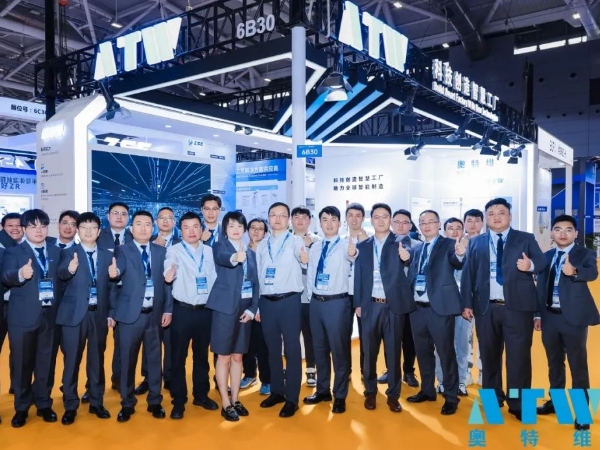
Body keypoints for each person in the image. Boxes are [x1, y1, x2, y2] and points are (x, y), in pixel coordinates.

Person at [461, 198, 546, 421]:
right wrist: (467, 303)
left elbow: (542, 263)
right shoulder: (476, 242)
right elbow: (468, 274)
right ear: (486, 218)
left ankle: (518, 403)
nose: (496, 217)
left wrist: (530, 266)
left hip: (518, 309)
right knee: (489, 357)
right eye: (491, 213)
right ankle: (493, 399)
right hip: (486, 309)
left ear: (510, 216)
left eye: (501, 212)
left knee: (519, 358)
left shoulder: (525, 238)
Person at [535, 215, 599, 430]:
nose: (563, 233)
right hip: (549, 317)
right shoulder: (546, 257)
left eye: (568, 229)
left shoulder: (585, 254)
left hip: (573, 319)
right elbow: (540, 288)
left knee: (577, 365)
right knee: (554, 363)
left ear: (576, 234)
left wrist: (575, 272)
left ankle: (582, 412)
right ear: (551, 233)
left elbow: (592, 273)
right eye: (558, 229)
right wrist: (537, 314)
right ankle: (556, 402)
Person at [109, 210, 173, 422]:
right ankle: (127, 403)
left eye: (147, 224)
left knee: (154, 360)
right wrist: (114, 272)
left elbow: (167, 283)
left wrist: (168, 309)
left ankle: (155, 401)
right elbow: (117, 271)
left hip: (155, 314)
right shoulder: (122, 250)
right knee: (128, 361)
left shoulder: (161, 251)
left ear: (152, 228)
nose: (143, 228)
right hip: (130, 316)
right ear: (131, 228)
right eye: (139, 224)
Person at [2, 209, 62, 428]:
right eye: (33, 226)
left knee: (46, 362)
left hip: (50, 317)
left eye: (43, 226)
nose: (39, 230)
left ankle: (44, 403)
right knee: (22, 364)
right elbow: (5, 276)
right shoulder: (13, 252)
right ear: (24, 229)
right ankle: (21, 407)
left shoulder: (56, 251)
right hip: (22, 318)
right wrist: (20, 274)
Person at [354, 203, 414, 412]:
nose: (381, 220)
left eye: (385, 216)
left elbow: (409, 254)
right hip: (370, 306)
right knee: (368, 353)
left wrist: (406, 256)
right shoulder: (363, 246)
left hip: (393, 307)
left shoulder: (401, 242)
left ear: (390, 219)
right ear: (371, 220)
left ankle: (393, 396)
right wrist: (358, 303)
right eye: (377, 217)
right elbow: (359, 277)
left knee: (393, 353)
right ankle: (370, 392)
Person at [56, 212, 113, 424]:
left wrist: (111, 313)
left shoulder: (108, 255)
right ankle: (70, 404)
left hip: (98, 314)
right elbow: (61, 274)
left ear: (99, 231)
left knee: (97, 360)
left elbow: (112, 288)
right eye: (84, 227)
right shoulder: (68, 253)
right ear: (78, 231)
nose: (88, 231)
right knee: (71, 361)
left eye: (93, 227)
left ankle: (97, 402)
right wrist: (69, 270)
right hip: (74, 315)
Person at [406, 210, 464, 416]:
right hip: (417, 309)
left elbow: (457, 260)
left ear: (439, 224)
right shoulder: (417, 248)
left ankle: (451, 397)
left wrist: (460, 253)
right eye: (423, 222)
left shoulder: (448, 244)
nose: (427, 225)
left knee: (446, 353)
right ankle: (427, 390)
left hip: (439, 309)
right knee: (423, 353)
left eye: (431, 222)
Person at [164, 211, 219, 420]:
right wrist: (168, 273)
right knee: (178, 358)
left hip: (205, 311)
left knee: (202, 356)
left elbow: (215, 278)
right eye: (186, 228)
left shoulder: (210, 251)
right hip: (182, 311)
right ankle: (178, 400)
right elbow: (169, 264)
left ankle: (201, 395)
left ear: (201, 229)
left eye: (195, 226)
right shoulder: (174, 251)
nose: (191, 231)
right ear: (181, 231)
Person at [256, 202, 308, 418]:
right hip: (267, 302)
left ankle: (292, 399)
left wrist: (304, 257)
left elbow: (301, 255)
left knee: (292, 350)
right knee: (272, 349)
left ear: (288, 220)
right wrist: (257, 305)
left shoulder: (296, 241)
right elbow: (259, 275)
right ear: (268, 218)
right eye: (273, 215)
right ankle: (277, 391)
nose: (277, 219)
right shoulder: (262, 244)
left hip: (289, 302)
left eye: (282, 215)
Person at [303, 206, 356, 414]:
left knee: (339, 350)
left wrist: (353, 252)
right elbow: (310, 274)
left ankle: (340, 395)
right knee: (319, 349)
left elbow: (352, 255)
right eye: (325, 219)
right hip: (316, 303)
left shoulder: (345, 245)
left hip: (337, 303)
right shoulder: (316, 247)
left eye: (333, 219)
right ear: (320, 223)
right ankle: (322, 390)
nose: (329, 223)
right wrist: (311, 297)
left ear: (340, 223)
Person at [207, 211, 259, 421]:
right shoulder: (220, 246)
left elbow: (255, 283)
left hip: (244, 310)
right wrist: (235, 257)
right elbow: (223, 258)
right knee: (224, 357)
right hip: (224, 309)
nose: (236, 230)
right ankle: (225, 402)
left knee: (238, 356)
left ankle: (236, 399)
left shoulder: (251, 253)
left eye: (239, 226)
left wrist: (252, 309)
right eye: (231, 226)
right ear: (225, 229)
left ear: (244, 229)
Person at [134, 207, 180, 397]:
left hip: (175, 301)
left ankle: (168, 376)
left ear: (174, 222)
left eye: (170, 218)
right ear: (156, 222)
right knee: (150, 342)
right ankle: (148, 377)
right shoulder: (146, 242)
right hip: (150, 301)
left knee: (170, 342)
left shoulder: (181, 243)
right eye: (162, 218)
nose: (166, 221)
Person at [378, 209, 420, 388]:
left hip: (411, 300)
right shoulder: (384, 244)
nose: (401, 225)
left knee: (410, 338)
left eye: (405, 222)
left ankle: (409, 371)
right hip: (390, 299)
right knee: (390, 338)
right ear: (392, 223)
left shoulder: (419, 246)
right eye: (397, 222)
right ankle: (391, 370)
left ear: (410, 225)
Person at [98, 202, 132, 393]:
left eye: (123, 214)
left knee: (122, 341)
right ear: (108, 216)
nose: (119, 217)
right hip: (102, 295)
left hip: (126, 295)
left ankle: (119, 379)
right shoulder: (97, 235)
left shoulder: (134, 236)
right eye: (115, 213)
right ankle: (93, 386)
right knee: (97, 344)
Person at [434, 218, 470, 397]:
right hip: (442, 307)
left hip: (463, 308)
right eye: (450, 228)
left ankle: (461, 381)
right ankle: (442, 381)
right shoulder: (437, 251)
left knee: (462, 346)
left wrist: (468, 304)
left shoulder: (469, 252)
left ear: (463, 231)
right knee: (441, 347)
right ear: (444, 230)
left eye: (458, 228)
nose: (454, 231)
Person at [291, 205, 321, 388]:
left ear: (309, 220)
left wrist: (310, 247)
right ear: (291, 220)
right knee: (290, 336)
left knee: (310, 336)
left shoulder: (318, 241)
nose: (300, 220)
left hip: (309, 298)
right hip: (291, 298)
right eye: (296, 217)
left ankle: (311, 368)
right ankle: (292, 370)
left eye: (304, 217)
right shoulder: (286, 240)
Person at [241, 218, 271, 394]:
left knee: (262, 344)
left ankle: (267, 379)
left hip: (261, 305)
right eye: (253, 228)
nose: (256, 231)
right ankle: (249, 374)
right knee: (246, 343)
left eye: (260, 229)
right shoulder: (241, 251)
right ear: (247, 230)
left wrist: (257, 307)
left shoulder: (268, 253)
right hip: (244, 304)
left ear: (265, 233)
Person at [345, 203, 370, 379]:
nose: (354, 219)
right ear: (346, 218)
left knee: (366, 335)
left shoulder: (370, 241)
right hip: (344, 293)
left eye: (358, 215)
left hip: (364, 293)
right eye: (350, 215)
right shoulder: (340, 240)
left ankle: (365, 371)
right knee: (343, 335)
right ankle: (345, 371)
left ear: (363, 218)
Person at [463, 208, 484, 386]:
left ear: (482, 223)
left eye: (477, 220)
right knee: (465, 338)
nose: (473, 224)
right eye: (469, 220)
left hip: (484, 299)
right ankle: (466, 371)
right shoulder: (458, 243)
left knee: (485, 337)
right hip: (464, 299)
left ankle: (484, 371)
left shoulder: (488, 242)